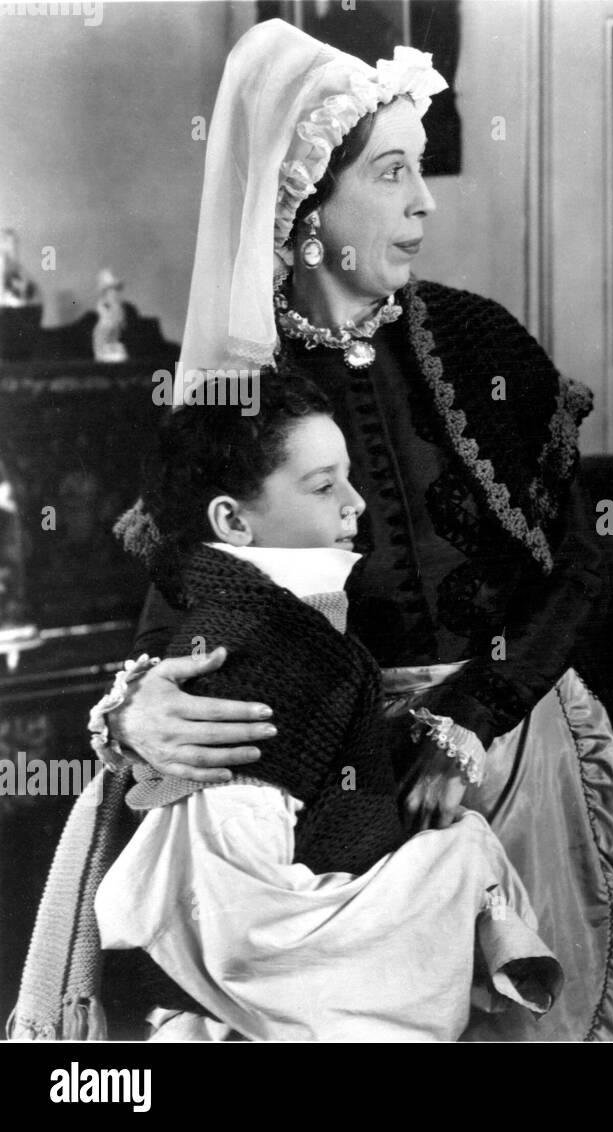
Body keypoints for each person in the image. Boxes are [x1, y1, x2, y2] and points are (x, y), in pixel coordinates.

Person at [12, 19, 613, 1042]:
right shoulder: (227, 390)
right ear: (309, 210)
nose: (424, 200)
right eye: (393, 172)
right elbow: (183, 608)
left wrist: (474, 716)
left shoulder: (480, 342)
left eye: (422, 171)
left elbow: (575, 569)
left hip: (506, 753)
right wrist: (134, 708)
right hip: (322, 800)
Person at [94, 371, 562, 1041]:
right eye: (322, 485)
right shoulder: (257, 655)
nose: (355, 504)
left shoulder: (301, 633)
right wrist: (456, 866)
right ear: (232, 519)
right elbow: (237, 922)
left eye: (347, 476)